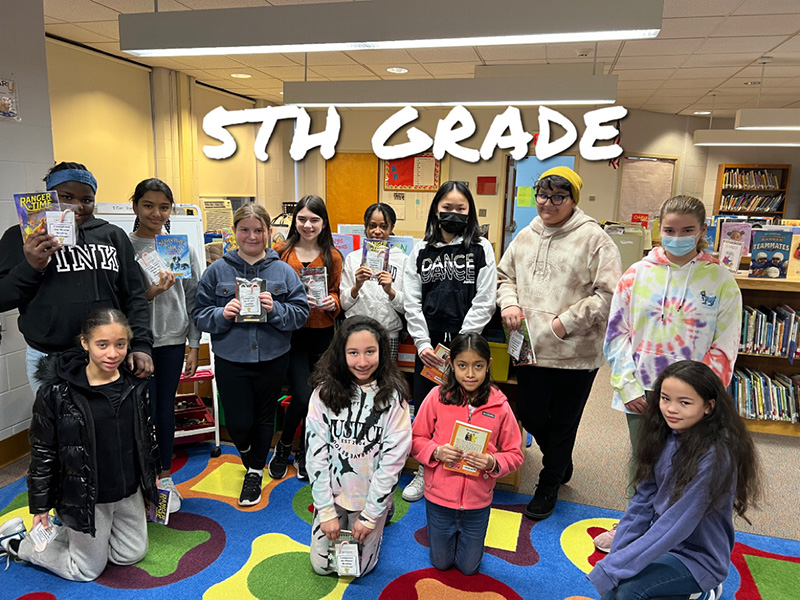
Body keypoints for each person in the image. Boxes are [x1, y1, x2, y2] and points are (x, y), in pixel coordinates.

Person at [603, 195, 742, 521]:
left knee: (687, 463)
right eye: (669, 229)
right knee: (645, 461)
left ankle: (674, 530)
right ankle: (633, 527)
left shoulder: (721, 280)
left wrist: (701, 393)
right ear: (658, 229)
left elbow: (726, 344)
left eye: (687, 230)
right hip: (642, 390)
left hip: (692, 396)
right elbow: (616, 334)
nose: (677, 237)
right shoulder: (636, 274)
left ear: (702, 230)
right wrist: (627, 385)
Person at [497, 166, 621, 520]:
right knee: (532, 413)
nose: (547, 203)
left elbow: (611, 294)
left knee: (564, 419)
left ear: (572, 200)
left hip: (575, 353)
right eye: (542, 195)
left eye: (557, 197)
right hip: (529, 347)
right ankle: (560, 460)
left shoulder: (594, 238)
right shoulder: (525, 235)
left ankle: (548, 482)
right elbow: (505, 277)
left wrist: (565, 323)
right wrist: (509, 303)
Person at [0, 308, 159, 581]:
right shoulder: (58, 393)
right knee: (86, 570)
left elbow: (146, 438)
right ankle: (17, 543)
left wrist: (150, 482)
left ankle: (71, 536)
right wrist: (40, 506)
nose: (112, 354)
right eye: (102, 345)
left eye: (120, 344)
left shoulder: (135, 385)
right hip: (86, 495)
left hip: (126, 491)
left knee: (129, 554)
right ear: (85, 343)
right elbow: (43, 452)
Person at [587, 360, 761, 600]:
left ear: (708, 407)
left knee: (629, 591)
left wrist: (618, 566)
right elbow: (642, 502)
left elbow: (676, 523)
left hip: (699, 558)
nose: (670, 409)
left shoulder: (716, 456)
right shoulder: (664, 435)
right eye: (665, 398)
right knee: (613, 587)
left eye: (685, 403)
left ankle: (701, 592)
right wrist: (618, 556)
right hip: (665, 545)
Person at [0, 162, 153, 394]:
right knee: (58, 427)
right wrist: (31, 266)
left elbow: (134, 296)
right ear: (49, 197)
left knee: (111, 426)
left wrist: (141, 345)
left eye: (87, 199)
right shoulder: (20, 238)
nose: (77, 207)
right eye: (66, 197)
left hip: (108, 354)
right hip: (49, 357)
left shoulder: (112, 236)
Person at [193, 204, 309, 506]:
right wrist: (222, 313)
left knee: (264, 418)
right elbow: (200, 315)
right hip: (231, 357)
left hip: (273, 356)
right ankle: (249, 455)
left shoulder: (283, 271)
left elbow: (300, 314)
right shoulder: (217, 270)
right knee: (238, 422)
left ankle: (255, 472)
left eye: (259, 230)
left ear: (269, 233)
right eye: (245, 229)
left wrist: (277, 309)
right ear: (235, 232)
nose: (252, 236)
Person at [402, 181, 497, 502]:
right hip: (428, 349)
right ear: (436, 210)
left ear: (469, 212)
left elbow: (485, 300)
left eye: (460, 209)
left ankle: (463, 471)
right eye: (447, 208)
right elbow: (411, 300)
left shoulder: (481, 247)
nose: (453, 214)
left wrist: (461, 349)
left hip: (465, 349)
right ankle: (423, 470)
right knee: (427, 412)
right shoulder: (420, 249)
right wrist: (421, 344)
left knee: (464, 411)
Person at [306, 316, 411, 577]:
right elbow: (315, 456)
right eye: (353, 352)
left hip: (368, 496)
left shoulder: (394, 398)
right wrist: (326, 511)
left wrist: (371, 515)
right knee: (322, 567)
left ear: (382, 352)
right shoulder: (323, 393)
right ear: (341, 353)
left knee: (355, 571)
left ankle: (384, 511)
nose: (362, 362)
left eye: (370, 352)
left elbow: (392, 462)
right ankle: (355, 514)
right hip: (334, 493)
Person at [411, 332, 523, 575]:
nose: (470, 374)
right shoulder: (437, 397)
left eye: (478, 366)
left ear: (488, 366)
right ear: (451, 364)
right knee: (440, 563)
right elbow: (414, 439)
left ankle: (468, 541)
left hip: (477, 502)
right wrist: (437, 451)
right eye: (462, 366)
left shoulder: (500, 405)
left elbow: (515, 453)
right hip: (439, 498)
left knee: (469, 568)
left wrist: (493, 462)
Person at [128, 178, 201, 513]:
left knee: (164, 410)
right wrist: (151, 293)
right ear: (135, 207)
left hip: (172, 340)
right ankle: (139, 478)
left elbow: (194, 298)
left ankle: (164, 476)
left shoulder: (178, 246)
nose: (156, 213)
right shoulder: (124, 246)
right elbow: (122, 301)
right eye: (148, 205)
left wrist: (194, 344)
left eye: (163, 206)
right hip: (136, 344)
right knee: (137, 412)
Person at [270, 195, 342, 481]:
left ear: (324, 223)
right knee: (300, 395)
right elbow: (272, 288)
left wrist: (333, 302)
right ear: (294, 220)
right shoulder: (280, 251)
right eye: (302, 219)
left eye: (314, 219)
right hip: (292, 334)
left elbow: (338, 292)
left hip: (323, 333)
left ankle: (305, 451)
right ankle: (284, 446)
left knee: (319, 398)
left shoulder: (332, 256)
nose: (308, 225)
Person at [340, 203, 406, 360]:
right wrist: (356, 286)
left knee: (387, 380)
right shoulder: (353, 258)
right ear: (365, 227)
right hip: (355, 332)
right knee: (355, 378)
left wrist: (391, 291)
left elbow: (406, 306)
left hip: (388, 333)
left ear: (391, 227)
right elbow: (343, 304)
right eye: (372, 226)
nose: (377, 231)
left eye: (383, 226)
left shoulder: (402, 259)